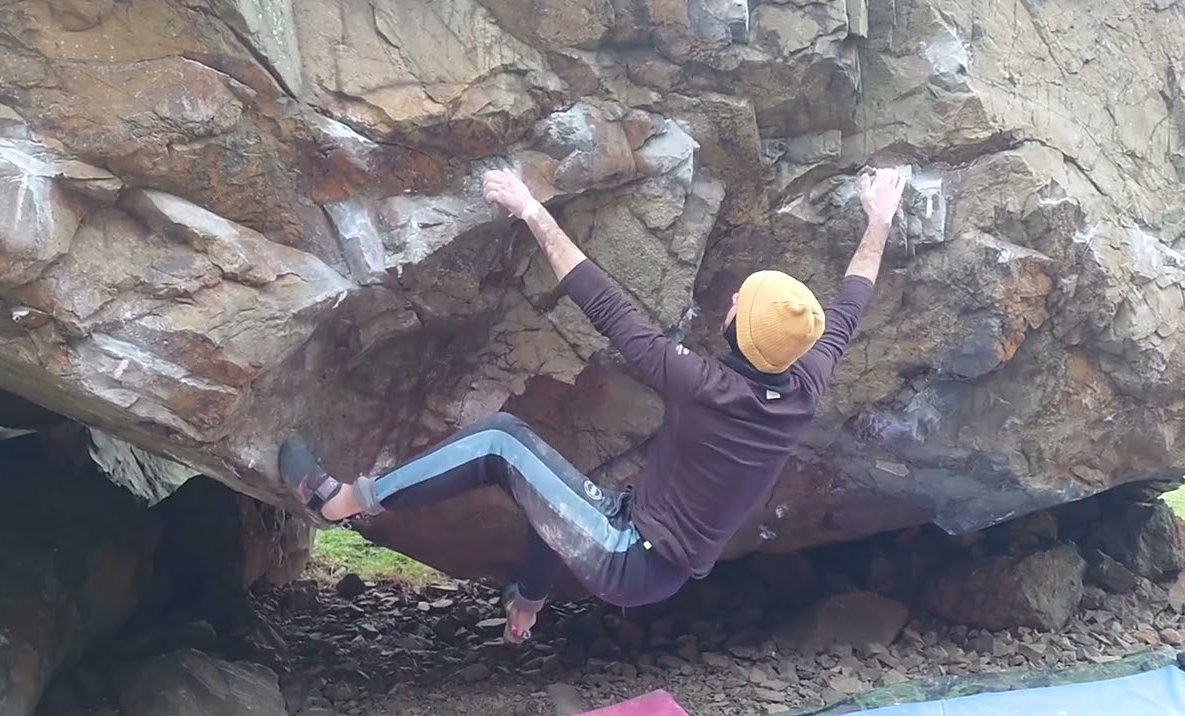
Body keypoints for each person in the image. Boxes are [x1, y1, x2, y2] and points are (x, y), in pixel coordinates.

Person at [280, 166, 907, 643]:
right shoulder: (805, 382)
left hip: (629, 556)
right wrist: (877, 219)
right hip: (641, 545)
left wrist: (531, 210)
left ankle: (344, 502)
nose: (735, 296)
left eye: (742, 297)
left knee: (501, 441)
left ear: (736, 322)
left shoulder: (702, 385)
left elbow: (603, 302)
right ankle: (528, 598)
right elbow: (854, 298)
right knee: (553, 484)